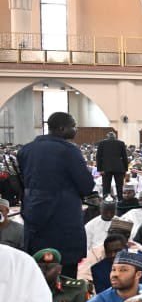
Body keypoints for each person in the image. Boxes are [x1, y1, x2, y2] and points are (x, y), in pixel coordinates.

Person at [17, 112, 97, 278]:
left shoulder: (26, 150)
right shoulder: (69, 151)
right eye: (73, 126)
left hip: (34, 217)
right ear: (62, 128)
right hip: (63, 220)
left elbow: (23, 182)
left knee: (37, 272)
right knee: (66, 275)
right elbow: (86, 185)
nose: (75, 130)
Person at [96, 131, 130, 200]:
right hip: (119, 167)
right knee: (119, 187)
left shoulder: (102, 143)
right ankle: (120, 201)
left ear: (107, 137)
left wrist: (100, 169)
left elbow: (98, 157)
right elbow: (124, 157)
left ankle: (106, 202)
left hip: (105, 168)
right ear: (115, 137)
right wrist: (125, 169)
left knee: (106, 187)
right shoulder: (121, 143)